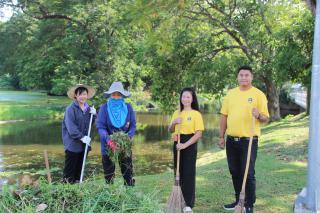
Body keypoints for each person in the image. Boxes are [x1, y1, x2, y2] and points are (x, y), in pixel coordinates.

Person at [219, 66, 269, 213]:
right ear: (237, 77)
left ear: (251, 77)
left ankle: (249, 205)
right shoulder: (230, 94)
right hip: (231, 140)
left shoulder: (258, 94)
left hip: (249, 140)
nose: (244, 78)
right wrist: (221, 136)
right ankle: (238, 201)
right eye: (241, 75)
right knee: (234, 171)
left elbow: (265, 118)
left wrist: (259, 115)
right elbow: (224, 116)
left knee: (248, 173)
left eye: (247, 75)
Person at [168, 87, 204, 213]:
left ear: (192, 99)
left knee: (188, 172)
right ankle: (179, 199)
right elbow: (170, 130)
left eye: (188, 97)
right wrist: (174, 122)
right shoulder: (177, 112)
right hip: (177, 143)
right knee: (178, 172)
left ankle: (188, 204)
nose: (186, 99)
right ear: (181, 98)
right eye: (184, 96)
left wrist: (185, 145)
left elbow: (198, 134)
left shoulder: (196, 114)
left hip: (189, 143)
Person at [96, 82, 136, 186]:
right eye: (114, 94)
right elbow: (101, 127)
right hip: (108, 146)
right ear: (110, 95)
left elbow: (133, 125)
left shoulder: (128, 107)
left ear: (122, 95)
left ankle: (130, 195)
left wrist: (128, 137)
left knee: (128, 172)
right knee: (109, 175)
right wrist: (109, 141)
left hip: (124, 146)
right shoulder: (104, 108)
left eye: (118, 94)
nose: (116, 97)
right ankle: (110, 196)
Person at [62, 84, 96, 183]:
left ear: (87, 95)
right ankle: (66, 190)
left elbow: (90, 123)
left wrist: (94, 115)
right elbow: (71, 128)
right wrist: (81, 137)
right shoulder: (70, 109)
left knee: (79, 170)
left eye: (84, 94)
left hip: (84, 144)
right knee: (69, 171)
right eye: (80, 94)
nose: (83, 97)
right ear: (75, 96)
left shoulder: (88, 108)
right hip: (72, 144)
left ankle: (77, 189)